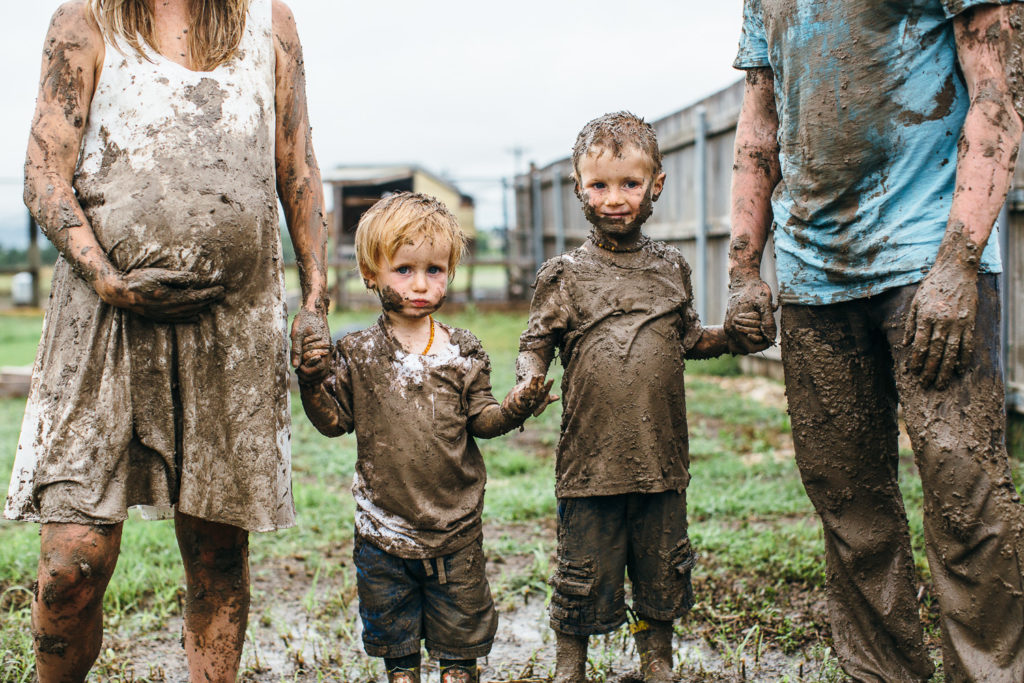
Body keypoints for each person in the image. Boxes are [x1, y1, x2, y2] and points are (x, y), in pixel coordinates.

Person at [3, 0, 329, 680]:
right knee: (72, 562)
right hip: (104, 322)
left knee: (216, 553)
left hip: (231, 327)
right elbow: (43, 172)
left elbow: (296, 167)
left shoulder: (269, 23)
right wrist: (108, 277)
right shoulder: (85, 19)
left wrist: (316, 299)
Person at [727, 2, 1024, 680]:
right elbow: (759, 125)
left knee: (967, 498)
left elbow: (998, 96)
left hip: (930, 264)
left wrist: (957, 264)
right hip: (812, 273)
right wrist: (744, 269)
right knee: (848, 508)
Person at [515, 112, 768, 683]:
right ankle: (569, 667)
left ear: (656, 185)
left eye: (629, 184)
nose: (613, 199)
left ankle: (657, 662)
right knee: (580, 571)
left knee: (662, 571)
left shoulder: (671, 268)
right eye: (599, 185)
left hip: (660, 458)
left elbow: (688, 339)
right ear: (578, 187)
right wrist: (527, 380)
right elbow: (535, 343)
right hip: (590, 463)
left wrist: (732, 337)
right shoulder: (564, 274)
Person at [295, 192, 555, 683]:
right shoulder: (356, 351)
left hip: (456, 531)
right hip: (383, 532)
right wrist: (311, 382)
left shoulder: (464, 350)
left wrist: (516, 408)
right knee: (400, 659)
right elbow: (333, 422)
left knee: (460, 654)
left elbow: (481, 419)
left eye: (434, 270)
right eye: (404, 270)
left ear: (450, 272)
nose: (420, 285)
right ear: (370, 272)